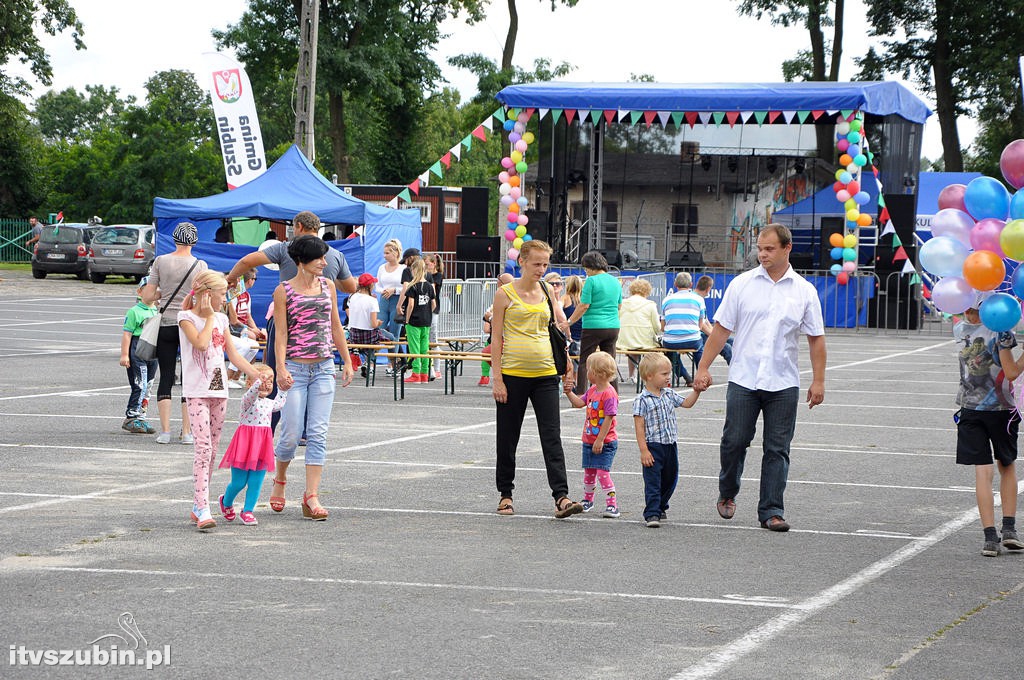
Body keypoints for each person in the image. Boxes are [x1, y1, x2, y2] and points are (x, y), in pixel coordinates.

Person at [694, 224, 826, 532]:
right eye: (759, 248)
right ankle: (728, 490)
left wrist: (818, 380)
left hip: (783, 382)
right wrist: (703, 367)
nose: (762, 254)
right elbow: (721, 330)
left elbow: (816, 339)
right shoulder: (742, 285)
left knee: (777, 448)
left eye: (769, 249)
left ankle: (771, 510)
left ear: (786, 249)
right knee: (734, 441)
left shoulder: (804, 291)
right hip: (744, 378)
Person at [226, 211, 355, 429]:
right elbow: (351, 287)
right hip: (319, 326)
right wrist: (331, 281)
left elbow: (248, 260)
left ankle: (269, 425)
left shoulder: (288, 248)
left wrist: (231, 279)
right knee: (315, 383)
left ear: (299, 227)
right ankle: (305, 430)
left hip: (287, 320)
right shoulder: (333, 255)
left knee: (276, 374)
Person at [490, 239, 582, 519]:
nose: (541, 269)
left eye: (545, 264)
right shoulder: (505, 294)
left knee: (552, 436)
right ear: (522, 263)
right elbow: (496, 338)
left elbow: (557, 328)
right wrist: (497, 379)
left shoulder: (546, 291)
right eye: (536, 264)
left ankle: (561, 497)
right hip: (513, 373)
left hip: (545, 374)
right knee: (508, 438)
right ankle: (506, 495)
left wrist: (567, 362)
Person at [269, 235, 354, 522]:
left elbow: (336, 326)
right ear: (302, 261)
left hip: (323, 368)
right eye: (319, 258)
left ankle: (311, 496)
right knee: (291, 433)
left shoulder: (327, 286)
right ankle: (280, 478)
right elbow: (281, 334)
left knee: (318, 433)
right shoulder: (283, 291)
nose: (324, 262)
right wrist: (281, 368)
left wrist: (347, 360)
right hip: (296, 369)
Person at [177, 270, 264, 531]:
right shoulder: (186, 317)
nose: (225, 298)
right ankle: (203, 507)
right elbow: (202, 345)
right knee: (202, 449)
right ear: (207, 294)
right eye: (222, 293)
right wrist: (206, 316)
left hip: (218, 390)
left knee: (212, 449)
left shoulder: (223, 319)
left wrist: (258, 374)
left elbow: (234, 356)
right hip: (196, 391)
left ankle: (198, 503)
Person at [953, 307, 1024, 556]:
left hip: (970, 409)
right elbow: (1013, 372)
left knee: (982, 472)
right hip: (1001, 410)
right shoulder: (1000, 331)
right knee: (1006, 465)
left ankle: (990, 538)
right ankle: (1010, 529)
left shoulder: (959, 329)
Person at [142, 221, 208, 445]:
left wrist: (164, 293)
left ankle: (165, 431)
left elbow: (147, 297)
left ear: (174, 239)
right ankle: (187, 432)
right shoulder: (200, 265)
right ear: (195, 241)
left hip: (166, 323)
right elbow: (201, 297)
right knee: (189, 377)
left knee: (166, 376)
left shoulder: (161, 261)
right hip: (188, 324)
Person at [633, 353, 701, 528]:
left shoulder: (669, 394)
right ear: (649, 376)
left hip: (670, 445)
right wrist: (644, 450)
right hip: (653, 446)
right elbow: (639, 427)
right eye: (664, 374)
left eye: (669, 373)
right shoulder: (642, 400)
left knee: (671, 478)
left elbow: (687, 403)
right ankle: (652, 513)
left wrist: (696, 391)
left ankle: (661, 505)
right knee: (653, 481)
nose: (668, 377)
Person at [217, 363, 288, 526]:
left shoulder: (269, 403)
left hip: (262, 446)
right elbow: (250, 395)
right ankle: (226, 502)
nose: (266, 384)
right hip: (245, 445)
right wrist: (258, 383)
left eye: (270, 381)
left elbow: (279, 403)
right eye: (263, 380)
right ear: (250, 383)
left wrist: (283, 389)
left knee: (256, 482)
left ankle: (248, 511)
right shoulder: (247, 401)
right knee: (239, 482)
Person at [563, 351, 620, 519]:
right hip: (589, 440)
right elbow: (580, 403)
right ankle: (588, 500)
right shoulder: (593, 390)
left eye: (588, 369)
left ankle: (612, 505)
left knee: (602, 472)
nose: (586, 373)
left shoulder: (609, 394)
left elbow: (609, 418)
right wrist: (569, 393)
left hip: (605, 442)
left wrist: (600, 440)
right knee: (589, 473)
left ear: (596, 373)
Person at [564, 251, 622, 395]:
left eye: (586, 268)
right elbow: (619, 305)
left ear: (591, 266)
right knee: (609, 361)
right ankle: (612, 394)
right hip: (613, 325)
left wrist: (569, 322)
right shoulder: (616, 281)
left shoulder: (591, 281)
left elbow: (584, 305)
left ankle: (581, 394)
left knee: (585, 361)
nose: (586, 272)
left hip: (593, 325)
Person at [118, 276, 158, 435]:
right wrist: (124, 355)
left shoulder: (157, 310)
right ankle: (131, 416)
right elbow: (127, 334)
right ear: (140, 292)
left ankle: (141, 416)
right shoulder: (134, 311)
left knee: (148, 385)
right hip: (138, 349)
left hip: (153, 351)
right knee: (139, 385)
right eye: (147, 289)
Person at [660, 272, 708, 387]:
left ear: (675, 284)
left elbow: (662, 326)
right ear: (691, 284)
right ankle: (701, 374)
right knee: (699, 347)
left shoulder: (666, 300)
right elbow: (701, 323)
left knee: (669, 351)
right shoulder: (699, 299)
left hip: (671, 341)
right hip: (692, 339)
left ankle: (685, 375)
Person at [616, 278, 662, 383]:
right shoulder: (650, 305)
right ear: (647, 291)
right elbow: (657, 328)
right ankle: (648, 375)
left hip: (623, 341)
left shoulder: (622, 303)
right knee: (650, 349)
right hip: (644, 340)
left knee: (632, 347)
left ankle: (632, 375)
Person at [226, 268, 265, 387]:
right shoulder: (233, 295)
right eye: (254, 279)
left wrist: (256, 329)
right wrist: (251, 330)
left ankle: (237, 376)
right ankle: (228, 377)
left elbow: (248, 316)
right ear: (249, 280)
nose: (254, 281)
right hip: (232, 328)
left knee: (257, 341)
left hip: (242, 327)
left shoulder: (247, 295)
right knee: (251, 339)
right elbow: (233, 321)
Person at [400, 257, 436, 383]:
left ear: (414, 270)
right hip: (426, 320)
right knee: (424, 348)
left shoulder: (412, 286)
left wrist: (407, 320)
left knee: (414, 347)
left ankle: (415, 373)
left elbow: (410, 305)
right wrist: (427, 313)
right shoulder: (429, 286)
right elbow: (434, 304)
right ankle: (424, 373)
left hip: (414, 321)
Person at [374, 239, 406, 374]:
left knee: (394, 332)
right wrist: (383, 291)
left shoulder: (403, 268)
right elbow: (377, 284)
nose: (384, 255)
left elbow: (405, 286)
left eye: (387, 253)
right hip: (384, 299)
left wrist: (394, 290)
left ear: (395, 253)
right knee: (377, 328)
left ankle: (393, 363)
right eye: (384, 253)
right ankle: (371, 362)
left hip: (397, 300)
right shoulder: (382, 268)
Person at [479, 273, 515, 387]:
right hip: (500, 337)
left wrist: (489, 317)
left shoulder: (507, 297)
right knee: (486, 352)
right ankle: (492, 376)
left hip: (508, 338)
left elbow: (502, 321)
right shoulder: (503, 297)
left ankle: (501, 377)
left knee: (487, 352)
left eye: (498, 282)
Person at [695, 275, 733, 364]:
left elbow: (706, 320)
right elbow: (701, 324)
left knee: (732, 341)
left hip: (703, 333)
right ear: (708, 289)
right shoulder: (697, 299)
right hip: (698, 334)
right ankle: (735, 373)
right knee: (726, 348)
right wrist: (714, 336)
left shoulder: (700, 299)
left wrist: (714, 333)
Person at [425, 253, 445, 380]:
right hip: (423, 308)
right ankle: (428, 366)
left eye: (427, 264)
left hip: (434, 307)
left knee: (433, 337)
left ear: (433, 264)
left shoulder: (437, 276)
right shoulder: (425, 275)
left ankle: (437, 368)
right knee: (426, 337)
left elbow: (432, 289)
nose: (426, 266)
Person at [561, 275, 584, 360]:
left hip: (570, 337)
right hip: (583, 335)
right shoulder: (584, 299)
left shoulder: (565, 298)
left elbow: (558, 309)